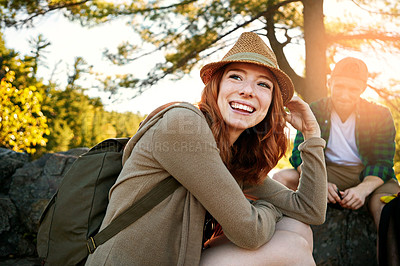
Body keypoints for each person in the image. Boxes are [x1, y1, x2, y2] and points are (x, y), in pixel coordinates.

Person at [85, 32, 327, 266]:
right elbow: (250, 232)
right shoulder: (183, 125)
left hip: (180, 259)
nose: (248, 90)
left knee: (297, 228)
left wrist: (311, 135)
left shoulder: (232, 154)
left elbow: (310, 211)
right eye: (236, 77)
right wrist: (270, 208)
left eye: (263, 84)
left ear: (272, 103)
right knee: (291, 248)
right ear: (216, 86)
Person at [273, 57, 399, 261]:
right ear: (329, 82)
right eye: (339, 86)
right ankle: (278, 249)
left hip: (367, 176)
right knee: (280, 179)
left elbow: (382, 163)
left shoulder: (379, 114)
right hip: (326, 170)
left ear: (362, 89)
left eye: (353, 89)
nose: (345, 94)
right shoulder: (315, 109)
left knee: (387, 209)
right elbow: (298, 155)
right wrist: (320, 182)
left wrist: (362, 190)